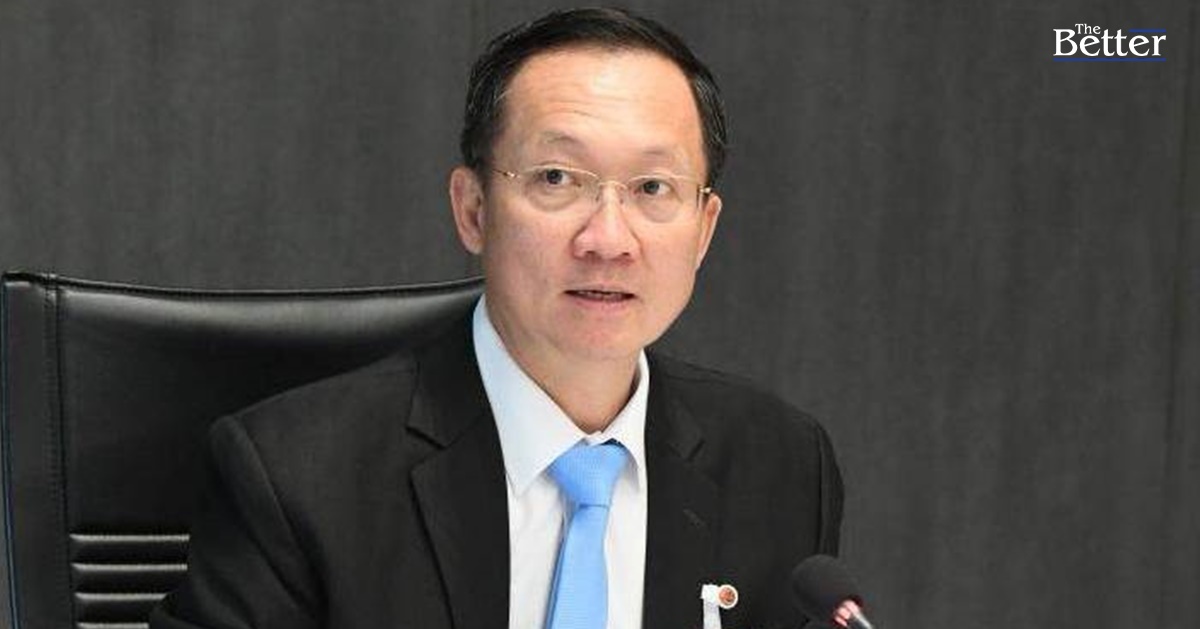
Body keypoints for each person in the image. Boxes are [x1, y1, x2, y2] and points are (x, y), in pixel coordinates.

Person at [151, 7, 843, 629]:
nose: (608, 238)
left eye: (653, 187)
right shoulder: (296, 476)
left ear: (703, 229)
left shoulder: (780, 466)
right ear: (473, 209)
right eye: (556, 179)